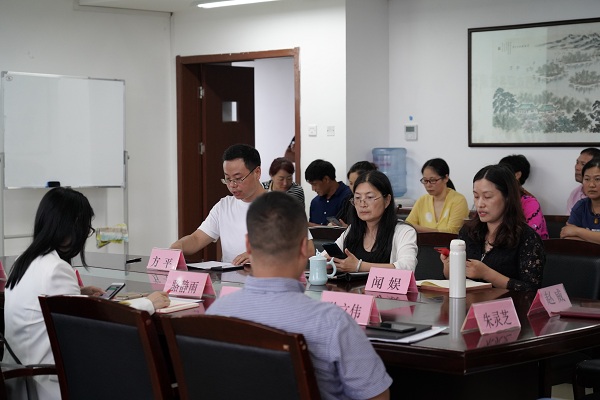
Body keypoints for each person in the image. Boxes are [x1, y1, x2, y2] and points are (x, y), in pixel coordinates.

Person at [206, 191, 392, 400]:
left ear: (248, 245)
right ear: (304, 248)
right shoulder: (333, 323)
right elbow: (378, 396)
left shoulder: (216, 314)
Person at [4, 187, 170, 400]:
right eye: (86, 228)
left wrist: (80, 294)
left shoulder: (23, 261)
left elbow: (41, 301)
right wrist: (148, 303)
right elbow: (91, 327)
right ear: (73, 226)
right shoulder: (56, 269)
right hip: (50, 382)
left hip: (20, 380)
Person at [441, 164, 545, 291]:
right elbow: (454, 281)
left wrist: (486, 273)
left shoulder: (527, 238)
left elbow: (531, 289)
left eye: (487, 197)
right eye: (476, 196)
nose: (480, 204)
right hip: (469, 302)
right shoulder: (468, 231)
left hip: (508, 303)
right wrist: (449, 266)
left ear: (507, 197)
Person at [171, 144, 266, 265]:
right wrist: (177, 246)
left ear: (257, 172)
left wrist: (260, 254)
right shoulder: (223, 206)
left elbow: (289, 250)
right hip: (229, 276)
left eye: (238, 178)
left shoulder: (280, 206)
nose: (232, 185)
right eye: (228, 179)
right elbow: (197, 239)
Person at [325, 170, 418, 272]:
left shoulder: (403, 231)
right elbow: (325, 257)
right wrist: (327, 263)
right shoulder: (352, 230)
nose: (362, 204)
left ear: (387, 200)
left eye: (369, 197)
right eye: (357, 198)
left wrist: (359, 266)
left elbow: (407, 267)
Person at [406, 158, 469, 234]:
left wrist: (417, 228)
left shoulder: (458, 200)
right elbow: (407, 226)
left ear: (446, 178)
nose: (428, 185)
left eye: (432, 180)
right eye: (425, 180)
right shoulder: (422, 200)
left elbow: (452, 232)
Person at [499, 154, 549, 239]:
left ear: (517, 175)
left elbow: (532, 236)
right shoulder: (498, 198)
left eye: (503, 173)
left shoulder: (530, 203)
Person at [562, 157, 600, 244]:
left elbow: (572, 232)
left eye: (598, 179)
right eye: (587, 179)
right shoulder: (581, 205)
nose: (591, 185)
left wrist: (578, 231)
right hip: (585, 253)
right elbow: (566, 235)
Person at [305, 159, 352, 226]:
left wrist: (310, 225)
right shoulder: (315, 202)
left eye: (314, 184)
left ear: (326, 179)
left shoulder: (349, 197)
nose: (313, 189)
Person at [334, 160, 378, 227]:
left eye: (357, 182)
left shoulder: (376, 200)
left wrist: (349, 229)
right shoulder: (349, 199)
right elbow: (339, 219)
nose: (353, 187)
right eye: (351, 183)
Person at [567, 148, 600, 214]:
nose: (577, 168)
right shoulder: (575, 193)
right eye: (577, 163)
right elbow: (569, 219)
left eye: (583, 164)